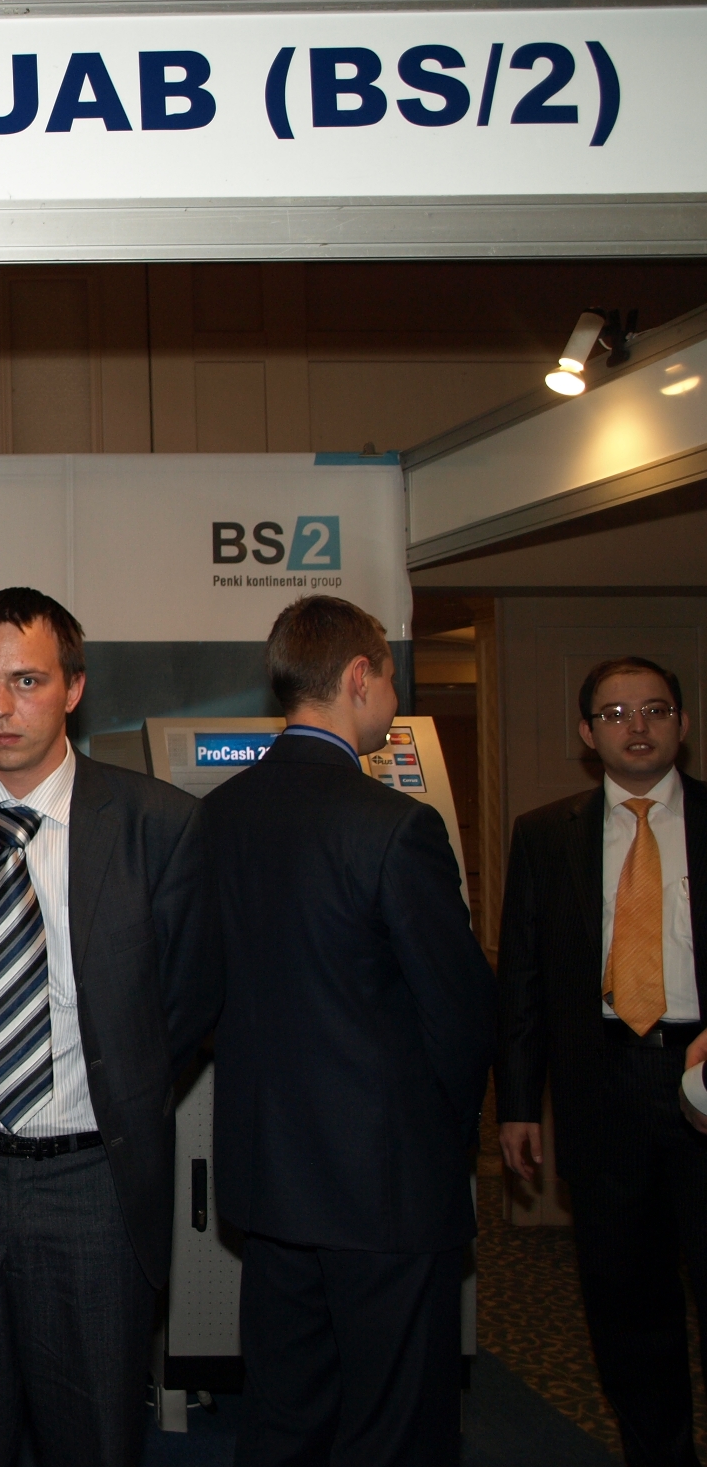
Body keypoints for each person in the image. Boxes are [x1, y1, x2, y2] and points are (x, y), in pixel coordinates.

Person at [0, 587, 213, 1467]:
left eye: (26, 680)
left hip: (92, 1179)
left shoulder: (158, 824)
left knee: (93, 1434)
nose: (0, 706)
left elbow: (185, 1003)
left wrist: (120, 1090)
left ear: (74, 687)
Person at [202, 595, 495, 1467]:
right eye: (392, 679)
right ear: (359, 676)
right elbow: (458, 1011)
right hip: (385, 1190)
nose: (394, 700)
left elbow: (201, 989)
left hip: (270, 1180)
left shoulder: (218, 815)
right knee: (395, 1430)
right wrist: (445, 1139)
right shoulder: (397, 826)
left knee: (285, 1417)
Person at [499, 656, 704, 1466]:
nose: (637, 726)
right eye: (616, 714)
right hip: (604, 1087)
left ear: (683, 723)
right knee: (627, 1303)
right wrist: (518, 1103)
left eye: (655, 709)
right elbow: (522, 978)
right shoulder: (547, 834)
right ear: (588, 734)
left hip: (703, 1076)